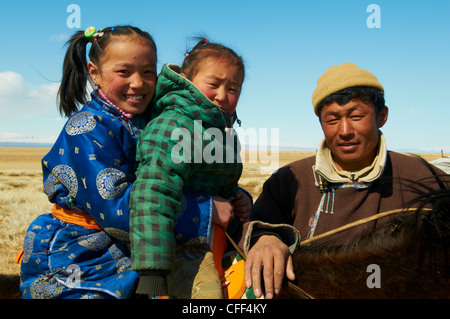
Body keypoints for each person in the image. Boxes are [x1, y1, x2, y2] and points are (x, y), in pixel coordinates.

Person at [17, 26, 231, 299]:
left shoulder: (155, 122)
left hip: (136, 249)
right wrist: (207, 209)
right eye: (124, 72)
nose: (138, 83)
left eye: (147, 72)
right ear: (94, 72)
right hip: (82, 257)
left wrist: (234, 198)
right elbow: (118, 209)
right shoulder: (86, 129)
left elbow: (191, 176)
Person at [239, 62, 450, 299]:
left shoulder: (421, 175)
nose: (345, 130)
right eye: (332, 119)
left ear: (382, 116)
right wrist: (266, 238)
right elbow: (252, 226)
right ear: (320, 123)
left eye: (357, 116)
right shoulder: (289, 181)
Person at [129, 38, 251, 298]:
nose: (222, 95)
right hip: (179, 247)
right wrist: (153, 270)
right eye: (214, 84)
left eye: (233, 88)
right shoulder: (175, 125)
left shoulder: (222, 131)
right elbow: (154, 192)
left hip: (217, 238)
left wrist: (240, 199)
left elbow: (215, 183)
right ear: (187, 79)